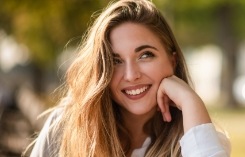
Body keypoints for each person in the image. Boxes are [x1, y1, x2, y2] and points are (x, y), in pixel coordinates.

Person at [28, 0, 230, 156]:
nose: (131, 75)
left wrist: (189, 101)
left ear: (172, 60)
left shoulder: (199, 137)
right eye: (115, 61)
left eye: (145, 55)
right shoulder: (67, 127)